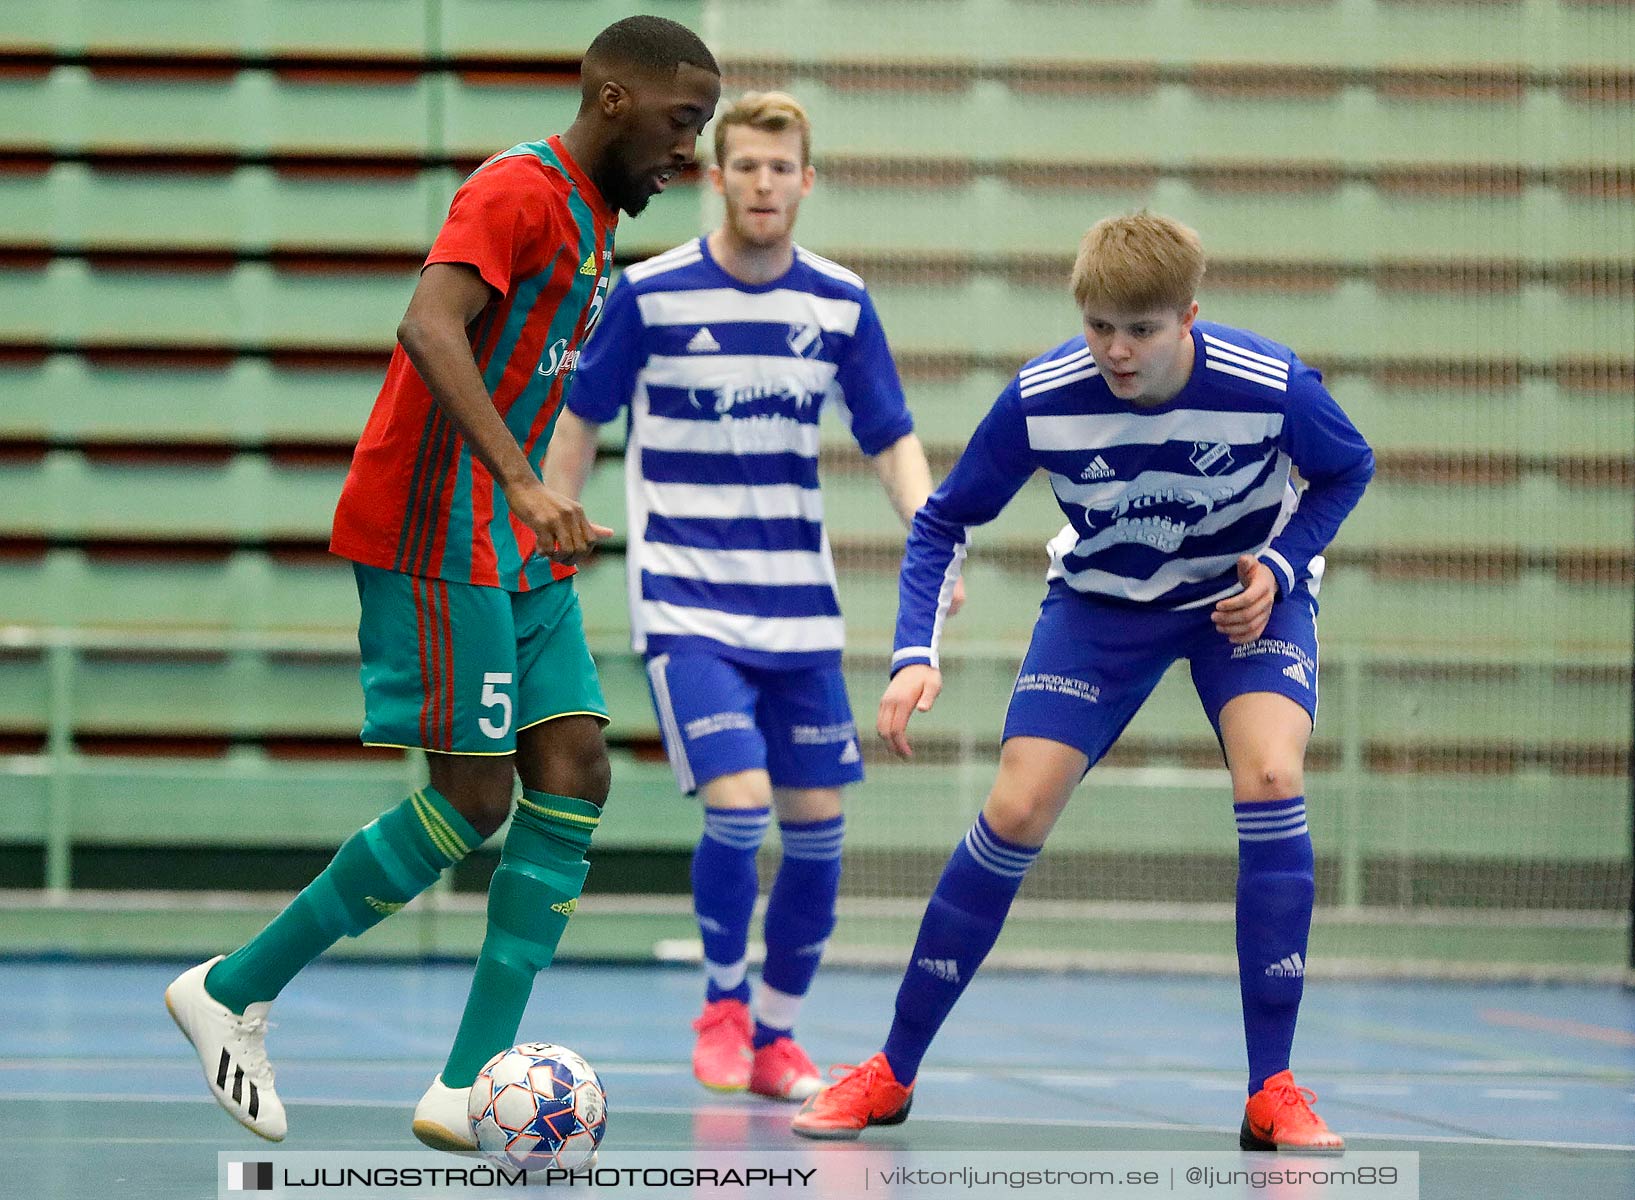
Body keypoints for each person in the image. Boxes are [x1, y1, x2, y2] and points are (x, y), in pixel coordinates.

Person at [163, 16, 720, 1146]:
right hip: (439, 529)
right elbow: (428, 323)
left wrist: (537, 506)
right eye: (680, 122)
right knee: (473, 800)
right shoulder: (517, 190)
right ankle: (230, 991)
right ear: (613, 99)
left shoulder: (601, 223)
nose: (688, 151)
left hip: (514, 548)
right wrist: (523, 485)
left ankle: (466, 1087)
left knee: (576, 769)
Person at [790, 212, 1373, 1152]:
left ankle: (1272, 1087)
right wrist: (911, 654)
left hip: (1241, 601)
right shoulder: (1042, 397)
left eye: (1140, 330)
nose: (1117, 350)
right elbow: (942, 522)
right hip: (1102, 606)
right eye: (1099, 326)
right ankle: (890, 1071)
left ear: (1188, 316)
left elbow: (1347, 471)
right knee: (1015, 809)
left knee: (1272, 777)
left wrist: (1278, 561)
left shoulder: (1273, 386)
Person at [547, 91, 959, 1103]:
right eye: (747, 167)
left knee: (818, 829)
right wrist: (549, 522)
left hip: (800, 613)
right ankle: (723, 1008)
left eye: (783, 168)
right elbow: (580, 414)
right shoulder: (651, 293)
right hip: (686, 602)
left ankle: (777, 1034)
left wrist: (931, 532)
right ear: (714, 177)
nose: (765, 184)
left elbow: (890, 437)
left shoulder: (840, 303)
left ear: (805, 182)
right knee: (738, 809)